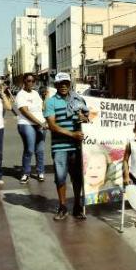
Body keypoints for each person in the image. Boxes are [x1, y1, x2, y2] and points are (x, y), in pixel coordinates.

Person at [45, 72, 88, 221]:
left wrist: (84, 118)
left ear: (70, 84)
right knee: (60, 177)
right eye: (60, 83)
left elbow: (88, 118)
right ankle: (62, 207)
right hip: (60, 147)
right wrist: (72, 134)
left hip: (77, 146)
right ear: (55, 85)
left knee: (77, 178)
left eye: (66, 83)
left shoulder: (79, 99)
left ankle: (77, 206)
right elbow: (52, 125)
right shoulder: (51, 102)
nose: (63, 86)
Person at [15, 72, 48, 184]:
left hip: (40, 123)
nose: (31, 83)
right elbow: (25, 111)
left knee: (40, 149)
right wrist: (39, 123)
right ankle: (25, 173)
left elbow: (42, 108)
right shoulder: (21, 95)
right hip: (26, 124)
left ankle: (40, 172)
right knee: (29, 149)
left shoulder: (35, 93)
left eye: (33, 81)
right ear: (24, 82)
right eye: (29, 81)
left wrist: (46, 98)